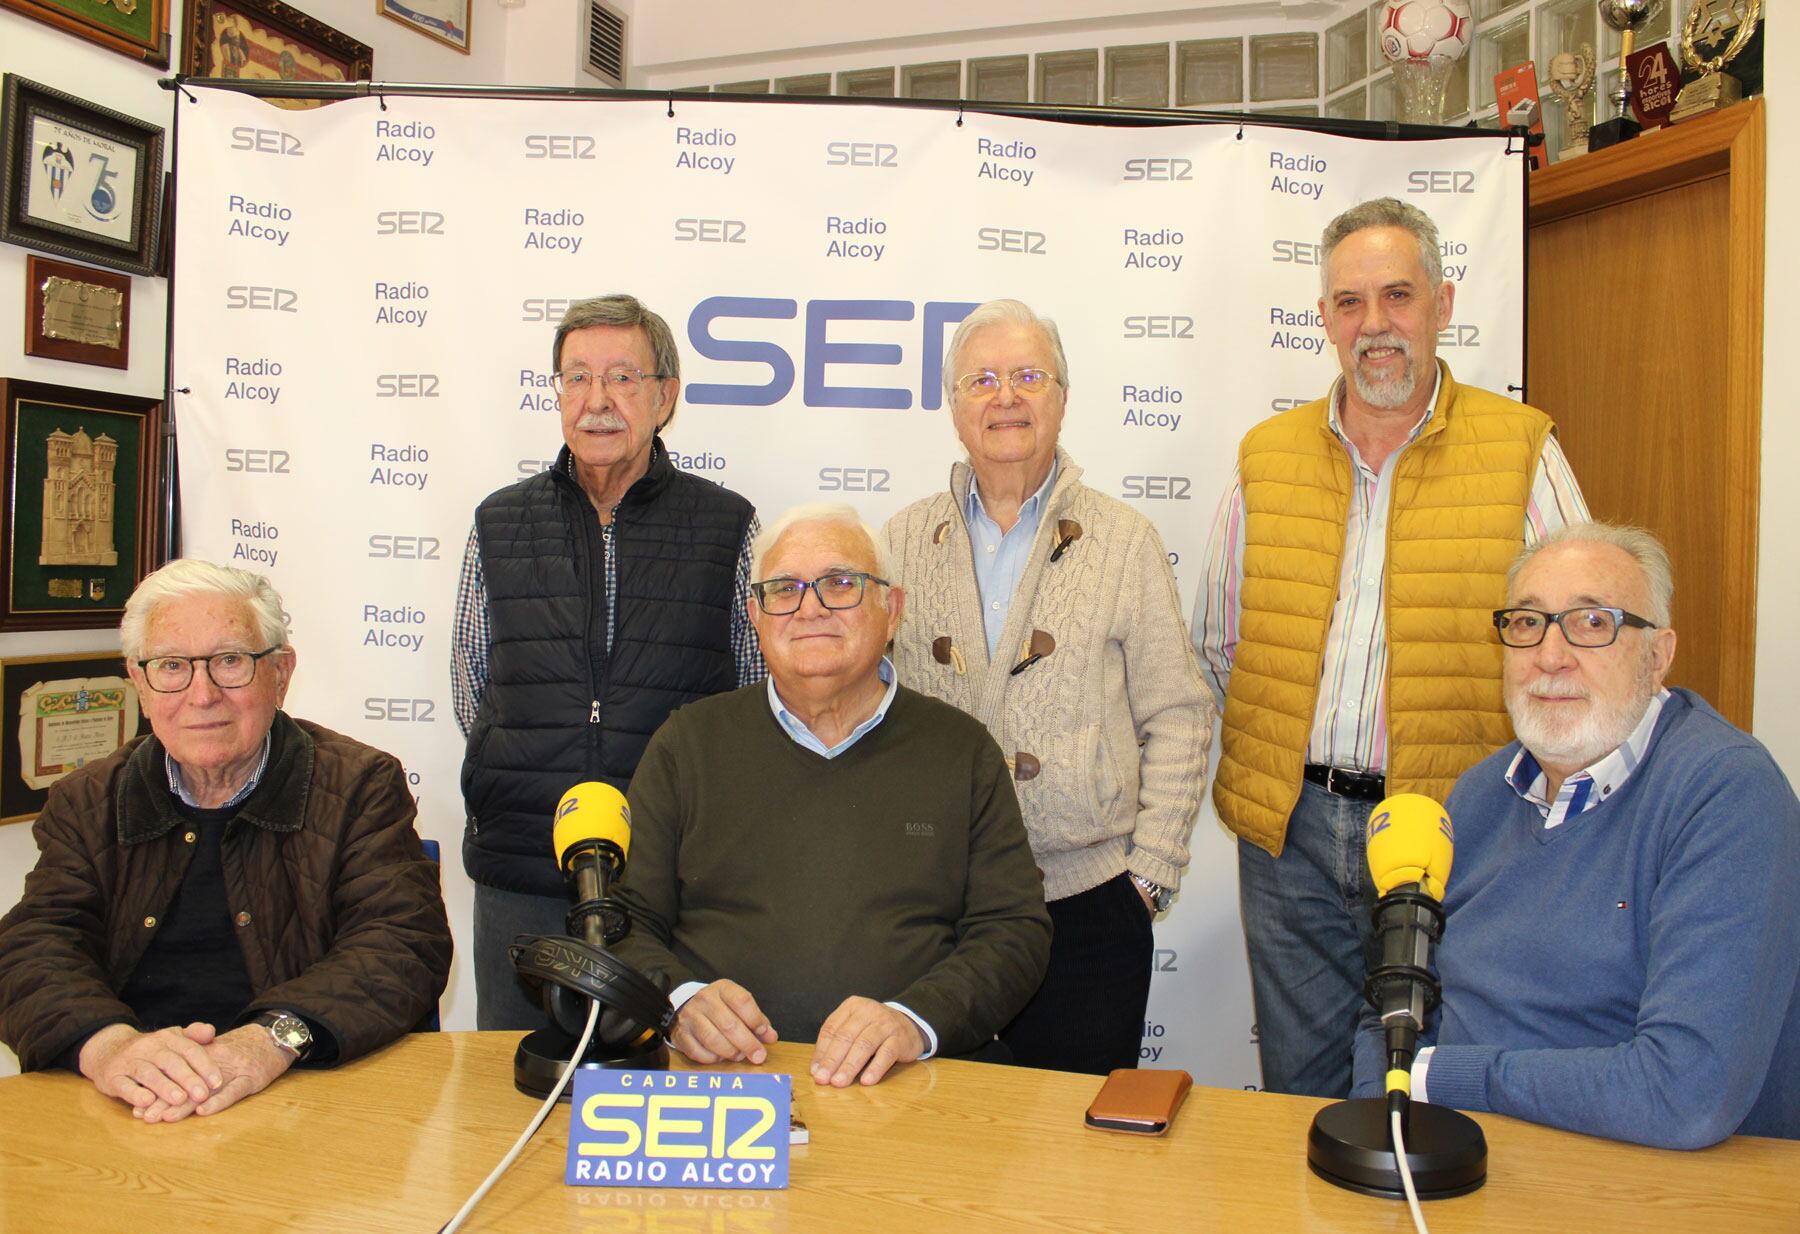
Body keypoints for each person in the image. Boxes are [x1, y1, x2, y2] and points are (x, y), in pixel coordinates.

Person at [1192, 197, 1590, 1098]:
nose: (1375, 325)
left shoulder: (1522, 451)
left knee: (1425, 1089)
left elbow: (1575, 647)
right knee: (1299, 1094)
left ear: (1443, 305)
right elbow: (1222, 643)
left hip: (1456, 835)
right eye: (1349, 302)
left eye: (1398, 296)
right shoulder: (1266, 456)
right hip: (1289, 840)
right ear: (1325, 318)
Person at [1351, 523, 1799, 1146]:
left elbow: (1689, 1092)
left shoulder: (1725, 794)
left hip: (1637, 1179)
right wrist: (1390, 1117)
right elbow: (1394, 1009)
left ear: (1658, 653)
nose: (1551, 655)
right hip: (1452, 1156)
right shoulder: (1481, 794)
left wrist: (1436, 1078)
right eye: (1527, 624)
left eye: (1592, 623)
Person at [613, 505, 1052, 1087]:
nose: (810, 608)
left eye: (840, 584)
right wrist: (679, 1001)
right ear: (756, 616)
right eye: (785, 589)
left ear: (891, 610)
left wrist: (914, 1022)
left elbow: (1013, 930)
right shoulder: (687, 744)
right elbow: (620, 921)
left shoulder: (962, 751)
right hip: (722, 1091)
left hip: (910, 1089)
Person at [884, 299, 1212, 1076]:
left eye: (1029, 376)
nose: (1006, 397)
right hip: (937, 907)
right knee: (933, 1144)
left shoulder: (1124, 540)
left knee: (1076, 1159)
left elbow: (1181, 711)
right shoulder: (898, 540)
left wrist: (1149, 877)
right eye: (982, 380)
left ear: (1062, 398)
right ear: (953, 407)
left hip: (1091, 907)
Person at [0, 560, 451, 1123]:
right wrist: (111, 1046)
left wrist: (269, 1042)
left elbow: (402, 944)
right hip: (133, 1102)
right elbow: (33, 947)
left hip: (302, 1098)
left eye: (230, 661)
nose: (202, 693)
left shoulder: (360, 785)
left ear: (281, 674)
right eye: (171, 667)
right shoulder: (86, 800)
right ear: (139, 683)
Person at [453, 293, 765, 1029]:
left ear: (665, 397)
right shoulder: (499, 522)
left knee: (664, 1085)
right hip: (524, 866)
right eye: (577, 378)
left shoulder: (727, 524)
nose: (597, 401)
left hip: (674, 876)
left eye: (622, 377)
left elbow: (751, 691)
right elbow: (475, 688)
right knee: (516, 1088)